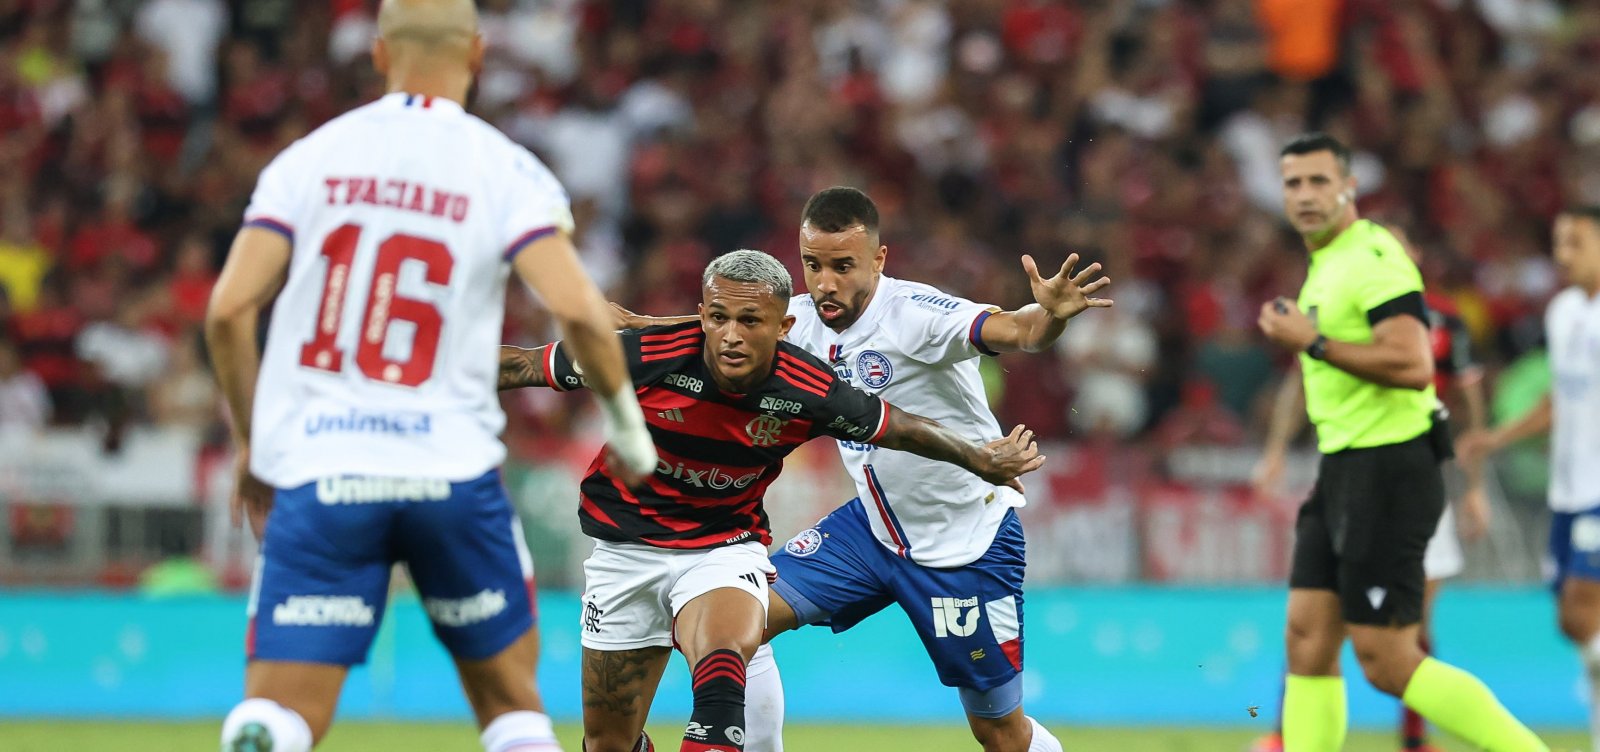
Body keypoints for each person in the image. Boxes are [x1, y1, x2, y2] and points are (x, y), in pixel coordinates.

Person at [203, 2, 657, 751]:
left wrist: (256, 446)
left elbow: (227, 311)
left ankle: (263, 731)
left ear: (379, 55)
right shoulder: (506, 168)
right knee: (514, 710)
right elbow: (578, 309)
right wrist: (627, 430)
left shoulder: (308, 159)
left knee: (283, 710)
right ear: (477, 53)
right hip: (451, 472)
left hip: (324, 468)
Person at [616, 187, 1112, 752]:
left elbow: (1017, 330)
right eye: (812, 264)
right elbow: (728, 324)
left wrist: (1049, 316)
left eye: (842, 265)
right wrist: (638, 324)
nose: (824, 282)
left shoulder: (916, 315)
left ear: (878, 259)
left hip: (963, 548)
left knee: (998, 731)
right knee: (733, 622)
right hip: (870, 533)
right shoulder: (799, 319)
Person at [498, 249, 1045, 752]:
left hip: (722, 548)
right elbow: (523, 365)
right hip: (624, 552)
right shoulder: (642, 356)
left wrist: (980, 459)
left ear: (782, 329)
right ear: (702, 316)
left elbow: (899, 428)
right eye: (717, 319)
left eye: (750, 322)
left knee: (727, 662)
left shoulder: (809, 387)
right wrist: (425, 373)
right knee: (606, 743)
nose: (731, 336)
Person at [1254, 132, 1544, 752]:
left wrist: (1314, 341)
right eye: (1293, 183)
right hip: (1342, 468)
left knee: (1386, 660)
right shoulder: (1327, 264)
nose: (1305, 195)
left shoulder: (1373, 256)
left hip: (1389, 468)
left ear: (1349, 188)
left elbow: (1414, 362)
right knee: (1306, 640)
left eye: (1318, 181)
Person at [1250, 223, 1494, 752]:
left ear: (1414, 258)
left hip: (1409, 478)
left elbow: (1470, 402)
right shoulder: (1342, 309)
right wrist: (1274, 451)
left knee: (1401, 639)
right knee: (1311, 628)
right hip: (1346, 478)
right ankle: (1283, 731)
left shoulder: (1445, 319)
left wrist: (1474, 485)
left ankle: (1413, 739)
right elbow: (1300, 380)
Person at [1461, 206, 1600, 752]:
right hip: (1567, 491)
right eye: (1559, 243)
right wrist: (1497, 438)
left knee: (1580, 607)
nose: (1563, 255)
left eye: (1577, 241)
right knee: (1574, 623)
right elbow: (1559, 400)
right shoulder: (1564, 311)